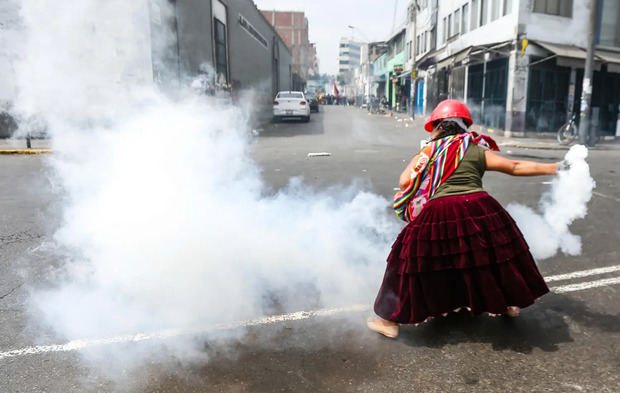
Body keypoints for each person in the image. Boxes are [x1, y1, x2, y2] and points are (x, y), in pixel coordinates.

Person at [368, 99, 560, 339]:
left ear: (438, 126)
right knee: (496, 256)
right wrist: (555, 168)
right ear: (463, 126)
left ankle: (388, 320)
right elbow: (515, 166)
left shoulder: (429, 150)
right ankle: (510, 305)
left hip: (440, 211)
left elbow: (404, 181)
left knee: (406, 261)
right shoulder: (475, 148)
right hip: (480, 207)